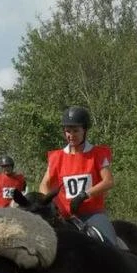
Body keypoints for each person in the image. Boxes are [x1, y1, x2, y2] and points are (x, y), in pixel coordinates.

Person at [39, 105, 123, 246]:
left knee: (110, 246)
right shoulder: (57, 157)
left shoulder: (97, 154)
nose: (71, 135)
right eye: (68, 131)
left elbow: (108, 181)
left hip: (92, 214)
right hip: (64, 216)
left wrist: (84, 195)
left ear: (85, 130)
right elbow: (44, 184)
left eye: (76, 130)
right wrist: (47, 203)